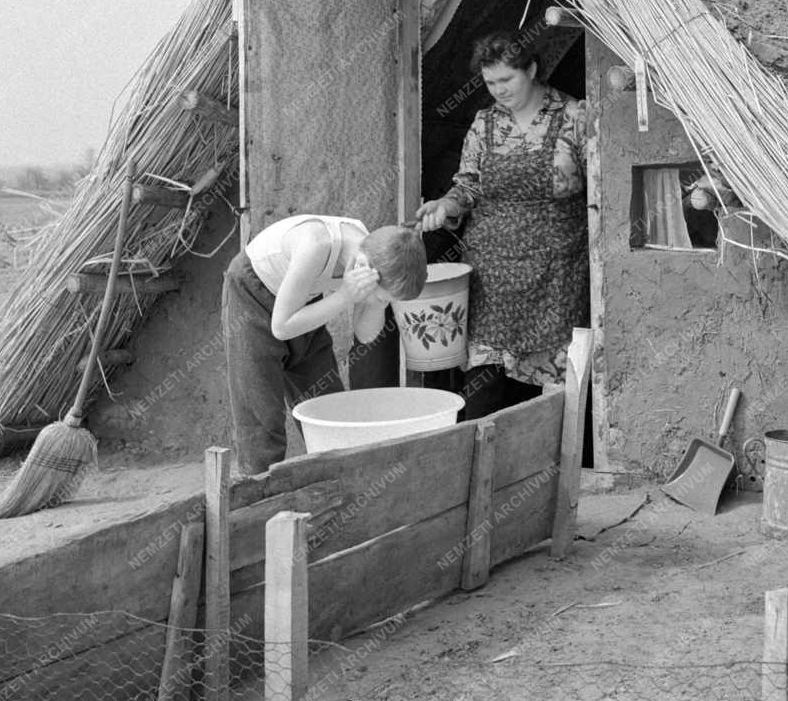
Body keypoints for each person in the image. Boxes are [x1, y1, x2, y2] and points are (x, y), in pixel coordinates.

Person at [415, 31, 589, 418]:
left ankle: (552, 464)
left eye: (506, 80)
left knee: (555, 384)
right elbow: (468, 185)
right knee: (486, 378)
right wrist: (446, 203)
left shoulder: (575, 116)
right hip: (492, 270)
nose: (498, 91)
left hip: (557, 269)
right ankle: (481, 461)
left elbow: (601, 190)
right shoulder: (484, 123)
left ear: (531, 69)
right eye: (490, 83)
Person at [222, 215, 426, 475]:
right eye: (380, 297)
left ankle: (336, 490)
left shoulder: (371, 254)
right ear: (363, 266)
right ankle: (259, 503)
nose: (381, 302)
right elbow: (281, 327)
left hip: (302, 301)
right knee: (261, 416)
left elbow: (365, 335)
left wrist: (374, 302)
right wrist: (345, 296)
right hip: (252, 295)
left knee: (328, 410)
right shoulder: (316, 244)